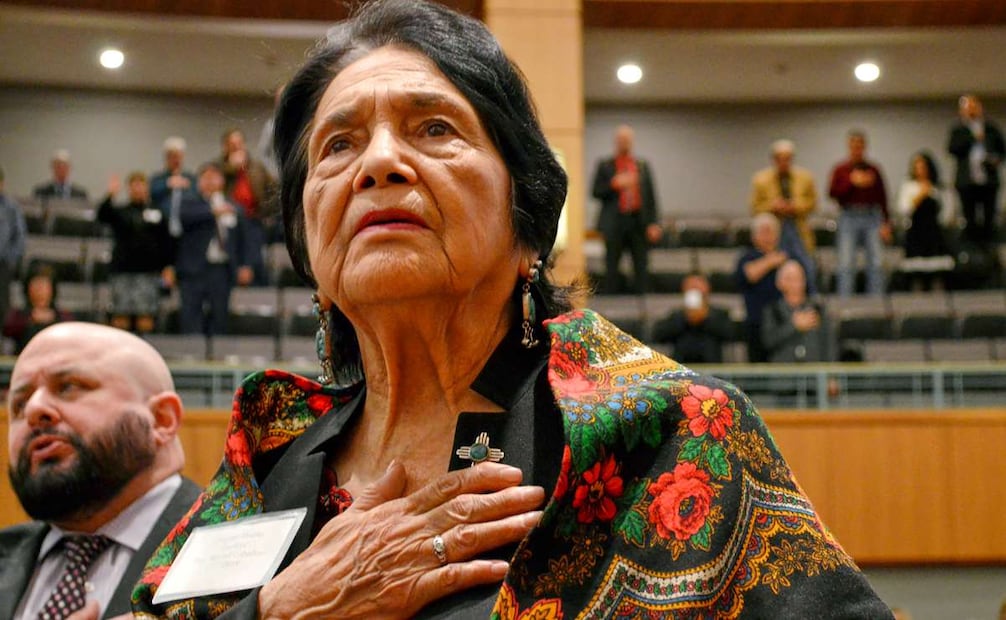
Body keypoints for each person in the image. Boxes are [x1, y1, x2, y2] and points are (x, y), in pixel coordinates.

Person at [132, 1, 891, 618]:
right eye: (338, 145)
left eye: (435, 128)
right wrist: (282, 611)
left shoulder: (667, 428)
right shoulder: (268, 451)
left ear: (527, 215)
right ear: (310, 246)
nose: (379, 163)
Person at [0, 322, 201, 619]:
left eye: (68, 387)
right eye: (18, 404)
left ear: (161, 420)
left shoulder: (239, 553)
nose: (33, 410)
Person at [175, 162, 254, 336]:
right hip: (194, 270)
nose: (210, 181)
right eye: (206, 177)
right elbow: (184, 217)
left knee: (220, 315)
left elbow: (244, 240)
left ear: (222, 181)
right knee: (191, 314)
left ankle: (217, 355)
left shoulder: (233, 207)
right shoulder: (190, 202)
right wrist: (213, 212)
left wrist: (245, 265)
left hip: (221, 269)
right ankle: (192, 355)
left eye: (214, 177)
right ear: (198, 181)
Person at [96, 172, 176, 334]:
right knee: (120, 316)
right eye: (134, 185)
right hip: (122, 272)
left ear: (147, 188)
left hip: (149, 274)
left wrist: (168, 267)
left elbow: (167, 243)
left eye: (141, 185)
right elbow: (102, 215)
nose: (138, 189)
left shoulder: (158, 213)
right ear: (129, 189)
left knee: (146, 317)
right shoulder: (120, 212)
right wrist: (110, 195)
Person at [591, 124, 662, 294]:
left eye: (627, 139)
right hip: (614, 223)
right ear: (616, 142)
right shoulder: (605, 165)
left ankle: (642, 302)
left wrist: (654, 223)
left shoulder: (642, 166)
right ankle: (612, 304)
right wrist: (614, 184)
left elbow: (651, 197)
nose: (624, 143)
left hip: (638, 222)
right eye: (621, 139)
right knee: (611, 266)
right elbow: (595, 191)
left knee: (641, 265)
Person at [735, 213, 807, 364]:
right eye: (763, 231)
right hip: (756, 323)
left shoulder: (788, 256)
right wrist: (771, 260)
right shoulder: (747, 257)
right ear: (754, 236)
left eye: (771, 231)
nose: (767, 236)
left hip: (783, 321)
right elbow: (749, 274)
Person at [750, 138, 818, 293]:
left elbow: (813, 203)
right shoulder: (760, 179)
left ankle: (812, 299)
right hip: (775, 230)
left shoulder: (805, 177)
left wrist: (795, 206)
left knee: (807, 267)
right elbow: (754, 207)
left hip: (798, 228)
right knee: (777, 268)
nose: (784, 162)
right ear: (773, 159)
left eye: (787, 159)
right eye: (780, 159)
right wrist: (772, 206)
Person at [828, 130, 891, 297]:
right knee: (846, 264)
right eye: (853, 146)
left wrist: (886, 222)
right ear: (849, 147)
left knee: (877, 264)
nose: (857, 149)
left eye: (860, 146)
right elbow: (832, 193)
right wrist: (852, 181)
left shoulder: (874, 169)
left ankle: (876, 304)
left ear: (864, 147)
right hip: (849, 217)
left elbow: (883, 198)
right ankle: (845, 304)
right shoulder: (841, 169)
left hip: (872, 217)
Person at [217, 128, 278, 285]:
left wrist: (264, 210)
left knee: (255, 259)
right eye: (232, 144)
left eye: (239, 143)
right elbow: (215, 189)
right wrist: (232, 168)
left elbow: (274, 191)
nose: (237, 147)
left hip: (253, 220)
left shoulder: (256, 166)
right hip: (228, 222)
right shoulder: (219, 168)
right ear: (225, 147)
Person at [947, 94, 1005, 246]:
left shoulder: (991, 128)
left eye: (974, 106)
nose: (972, 110)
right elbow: (952, 149)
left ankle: (989, 253)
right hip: (967, 182)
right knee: (969, 219)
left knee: (989, 219)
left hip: (988, 181)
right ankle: (972, 254)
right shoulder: (959, 130)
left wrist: (995, 160)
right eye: (968, 107)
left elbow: (1002, 150)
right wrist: (973, 138)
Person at [895, 151, 954, 291]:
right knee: (916, 275)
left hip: (934, 234)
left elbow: (946, 212)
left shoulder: (938, 188)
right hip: (916, 234)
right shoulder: (908, 186)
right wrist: (920, 194)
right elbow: (903, 209)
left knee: (937, 275)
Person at [761, 260, 834, 364]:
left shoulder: (818, 309)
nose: (796, 284)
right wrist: (794, 326)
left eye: (799, 278)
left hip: (814, 373)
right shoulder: (772, 310)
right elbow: (769, 342)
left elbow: (829, 344)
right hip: (784, 374)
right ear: (779, 283)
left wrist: (831, 374)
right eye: (790, 279)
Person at [651, 273, 733, 364]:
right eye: (691, 286)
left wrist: (705, 318)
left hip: (711, 366)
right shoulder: (676, 316)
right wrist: (685, 319)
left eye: (698, 286)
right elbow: (658, 335)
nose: (694, 289)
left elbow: (729, 334)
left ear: (707, 288)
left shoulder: (720, 314)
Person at [2, 262, 74, 354]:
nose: (40, 289)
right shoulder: (18, 315)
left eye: (44, 285)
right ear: (27, 289)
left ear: (52, 289)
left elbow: (71, 336)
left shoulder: (63, 316)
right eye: (36, 284)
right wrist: (30, 319)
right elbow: (7, 329)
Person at [149, 136, 199, 240]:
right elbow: (150, 193)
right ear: (166, 158)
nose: (176, 160)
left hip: (187, 229)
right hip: (162, 229)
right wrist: (167, 184)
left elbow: (198, 198)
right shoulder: (158, 179)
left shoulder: (191, 179)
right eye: (172, 156)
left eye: (179, 156)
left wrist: (187, 187)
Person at [0, 166, 27, 332]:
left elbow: (20, 236)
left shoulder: (11, 207)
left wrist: (9, 258)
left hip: (2, 264)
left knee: (2, 304)